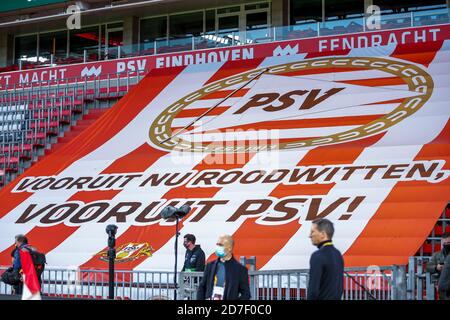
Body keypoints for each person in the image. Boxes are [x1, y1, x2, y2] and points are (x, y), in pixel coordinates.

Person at [197, 234, 250, 300]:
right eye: (217, 244)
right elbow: (202, 287)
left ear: (230, 248)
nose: (218, 247)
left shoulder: (240, 270)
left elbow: (246, 294)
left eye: (221, 245)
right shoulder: (210, 266)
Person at [307, 218, 344, 300]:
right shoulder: (337, 254)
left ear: (323, 234)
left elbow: (313, 289)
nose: (309, 235)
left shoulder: (318, 256)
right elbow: (339, 287)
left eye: (312, 232)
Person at [426, 232, 450, 300]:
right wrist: (436, 267)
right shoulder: (436, 255)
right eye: (445, 243)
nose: (447, 245)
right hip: (443, 283)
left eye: (449, 243)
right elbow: (428, 266)